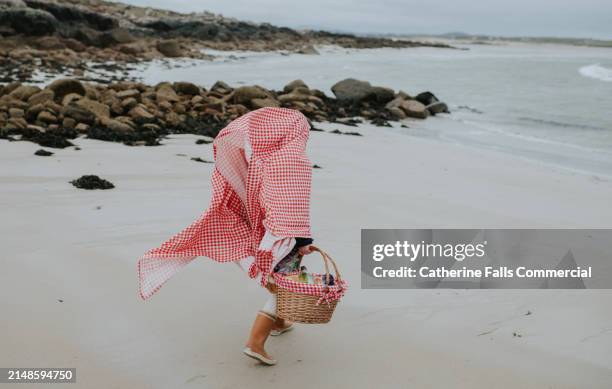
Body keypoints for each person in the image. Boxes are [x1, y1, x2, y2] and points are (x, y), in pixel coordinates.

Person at [137, 107, 315, 366]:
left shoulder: (258, 159)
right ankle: (256, 343)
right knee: (286, 290)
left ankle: (280, 320)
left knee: (275, 282)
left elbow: (258, 197)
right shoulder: (294, 162)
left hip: (252, 233)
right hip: (279, 239)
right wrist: (303, 243)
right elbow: (291, 208)